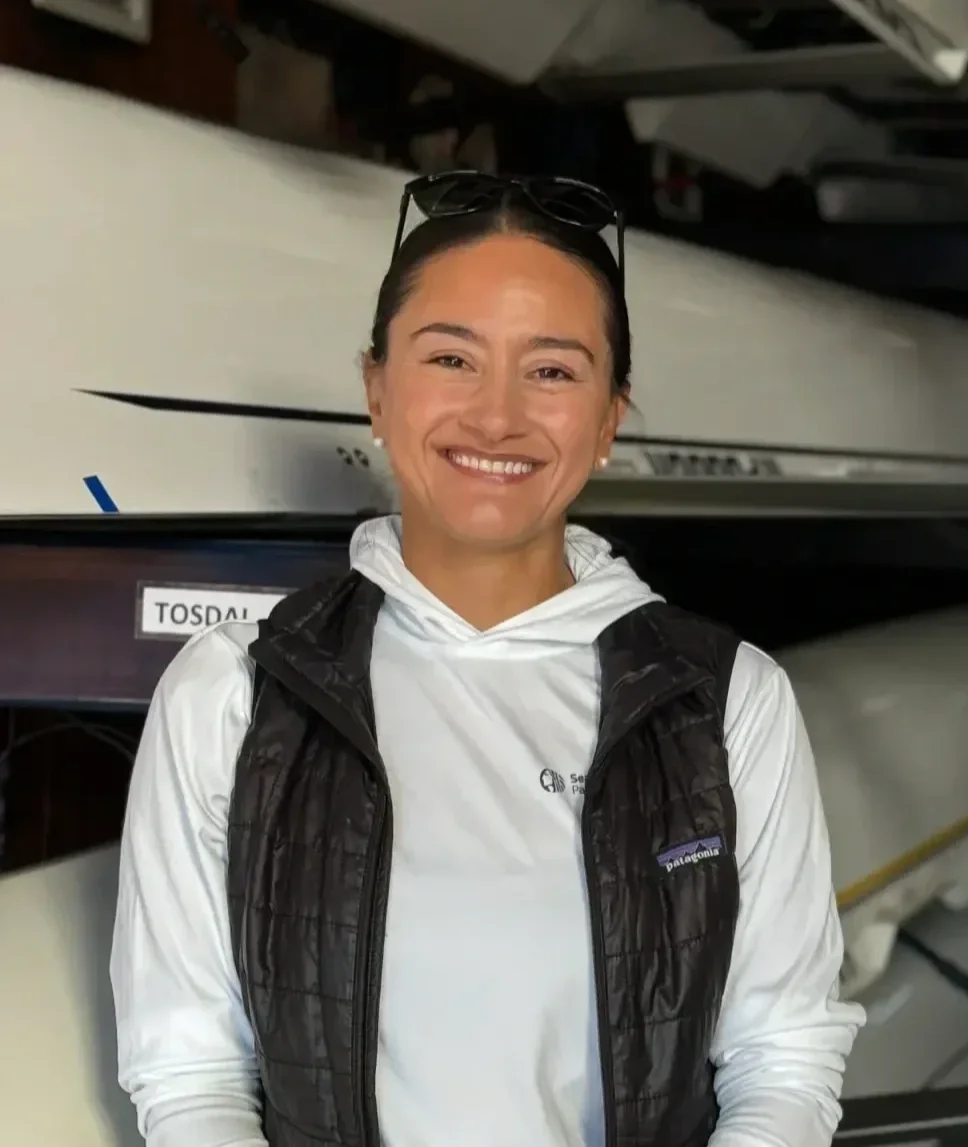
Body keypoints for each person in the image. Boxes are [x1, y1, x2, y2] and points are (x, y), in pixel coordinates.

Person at [110, 170, 864, 1147]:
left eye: (551, 371)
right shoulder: (235, 693)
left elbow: (784, 1053)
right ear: (376, 388)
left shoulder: (722, 701)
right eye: (450, 359)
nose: (497, 415)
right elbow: (191, 1072)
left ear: (608, 420)